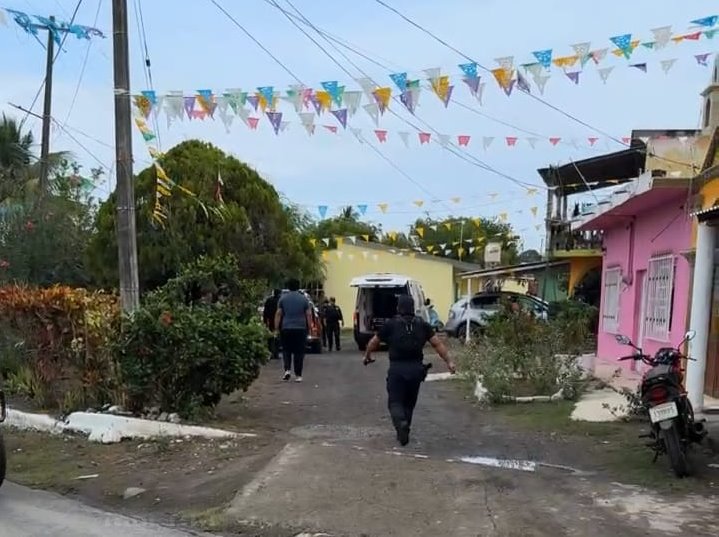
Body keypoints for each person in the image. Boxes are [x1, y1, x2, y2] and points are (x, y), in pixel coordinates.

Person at [363, 295, 456, 446]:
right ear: (413, 308)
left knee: (395, 402)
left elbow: (374, 342)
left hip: (397, 369)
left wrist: (367, 356)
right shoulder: (422, 325)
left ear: (398, 308)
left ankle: (401, 424)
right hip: (416, 370)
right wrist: (449, 362)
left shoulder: (391, 324)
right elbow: (438, 344)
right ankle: (404, 429)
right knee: (409, 403)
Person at [274, 279, 312, 382]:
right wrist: (310, 326)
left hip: (286, 327)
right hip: (300, 328)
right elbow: (308, 314)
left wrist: (276, 328)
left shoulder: (282, 299)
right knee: (299, 352)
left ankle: (287, 370)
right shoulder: (304, 299)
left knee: (286, 350)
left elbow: (278, 314)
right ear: (298, 286)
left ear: (288, 287)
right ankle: (298, 375)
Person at [262, 289, 281, 360]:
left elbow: (265, 311)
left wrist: (265, 321)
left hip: (270, 321)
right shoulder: (280, 301)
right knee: (277, 338)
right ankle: (276, 353)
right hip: (279, 322)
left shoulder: (269, 300)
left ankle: (270, 352)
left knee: (270, 337)